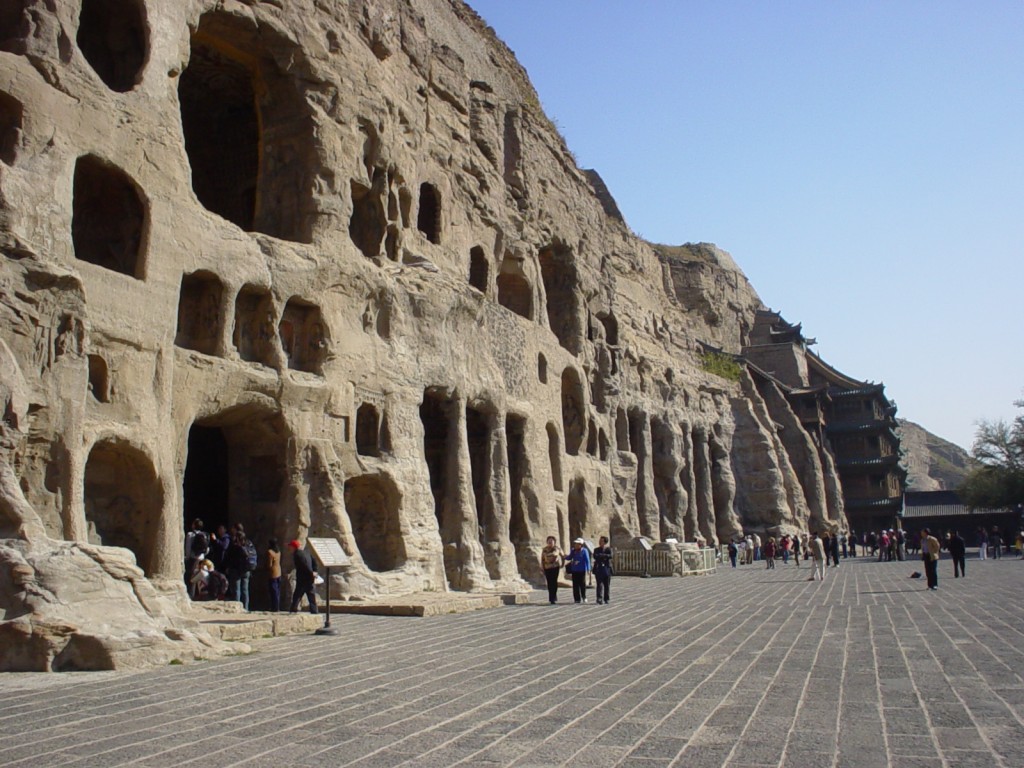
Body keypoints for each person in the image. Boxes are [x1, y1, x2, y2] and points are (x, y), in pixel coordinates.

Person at [288, 539, 318, 613]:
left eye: (290, 547)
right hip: (309, 578)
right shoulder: (306, 552)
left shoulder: (297, 554)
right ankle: (314, 611)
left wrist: (311, 573)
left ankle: (293, 609)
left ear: (293, 547)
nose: (289, 549)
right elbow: (314, 562)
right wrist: (315, 571)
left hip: (303, 578)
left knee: (297, 594)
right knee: (311, 596)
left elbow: (305, 565)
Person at [184, 518, 209, 593]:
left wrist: (187, 557)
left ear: (194, 525)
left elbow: (188, 547)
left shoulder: (190, 534)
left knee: (192, 578)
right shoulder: (204, 535)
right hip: (201, 559)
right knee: (200, 577)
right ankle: (200, 594)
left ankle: (191, 594)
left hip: (193, 559)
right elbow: (207, 548)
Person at [566, 538, 591, 603]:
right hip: (574, 570)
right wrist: (563, 556)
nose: (576, 545)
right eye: (575, 544)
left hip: (582, 570)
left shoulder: (584, 551)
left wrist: (588, 569)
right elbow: (569, 557)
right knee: (575, 585)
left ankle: (584, 596)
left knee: (582, 584)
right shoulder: (573, 551)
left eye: (577, 544)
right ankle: (577, 599)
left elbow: (587, 560)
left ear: (581, 545)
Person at [540, 536, 565, 604]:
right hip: (547, 567)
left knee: (554, 582)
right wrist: (542, 567)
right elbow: (542, 559)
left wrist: (562, 564)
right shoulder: (544, 549)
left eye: (551, 541)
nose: (550, 542)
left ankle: (553, 597)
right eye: (549, 541)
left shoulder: (557, 548)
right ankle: (551, 597)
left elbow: (563, 556)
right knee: (549, 582)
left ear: (554, 542)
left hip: (555, 567)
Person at [592, 536, 613, 604]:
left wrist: (602, 555)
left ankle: (606, 598)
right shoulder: (596, 549)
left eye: (601, 541)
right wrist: (603, 556)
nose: (600, 542)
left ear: (605, 542)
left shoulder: (608, 549)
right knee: (599, 584)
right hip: (599, 569)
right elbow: (595, 556)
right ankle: (599, 598)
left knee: (607, 585)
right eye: (600, 541)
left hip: (607, 569)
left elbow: (610, 556)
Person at [267, 538, 282, 611]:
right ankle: (277, 606)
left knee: (273, 591)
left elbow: (269, 564)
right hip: (279, 571)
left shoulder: (270, 552)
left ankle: (274, 607)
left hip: (273, 572)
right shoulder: (278, 551)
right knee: (277, 590)